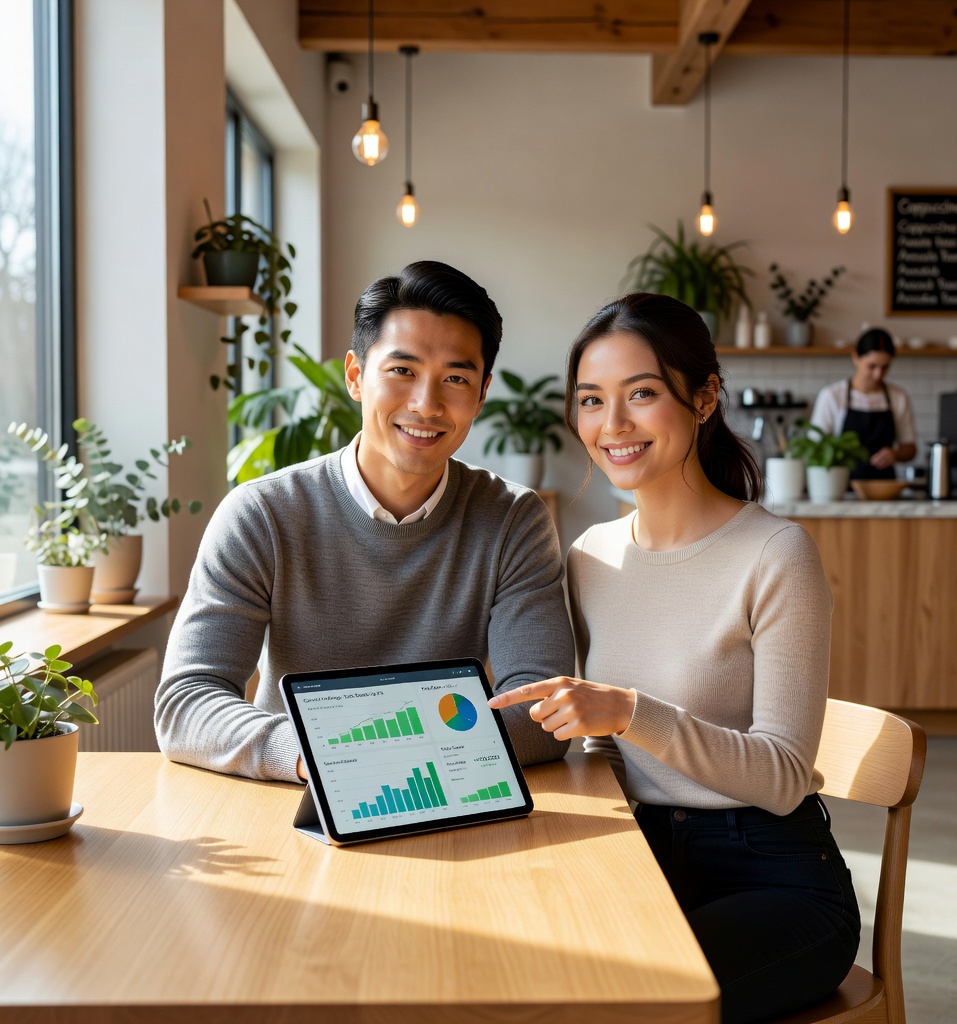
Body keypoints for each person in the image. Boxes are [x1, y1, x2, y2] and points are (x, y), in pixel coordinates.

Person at [489, 293, 860, 1024]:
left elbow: (785, 776)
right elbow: (602, 751)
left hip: (774, 875)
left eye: (643, 394)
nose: (612, 425)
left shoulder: (776, 555)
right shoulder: (588, 557)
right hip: (642, 859)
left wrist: (630, 712)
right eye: (591, 400)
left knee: (627, 1002)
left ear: (704, 397)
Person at [156, 260, 574, 781]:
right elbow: (186, 703)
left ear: (482, 394)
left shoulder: (512, 520)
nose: (427, 404)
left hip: (446, 801)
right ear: (356, 376)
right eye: (402, 371)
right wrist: (316, 755)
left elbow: (544, 711)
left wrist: (370, 753)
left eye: (456, 378)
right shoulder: (261, 514)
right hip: (297, 795)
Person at [809, 327, 917, 479]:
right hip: (842, 488)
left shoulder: (898, 397)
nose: (878, 374)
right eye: (872, 366)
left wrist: (895, 454)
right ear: (855, 357)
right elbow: (815, 446)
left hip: (884, 488)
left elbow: (910, 448)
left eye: (885, 367)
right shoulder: (832, 396)